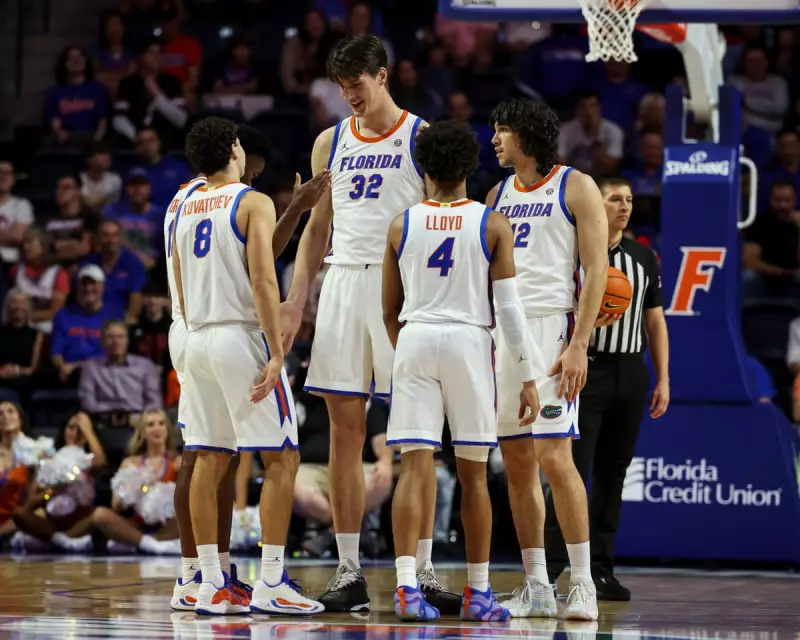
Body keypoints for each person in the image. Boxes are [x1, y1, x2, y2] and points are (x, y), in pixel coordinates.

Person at [282, 34, 460, 614]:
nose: (348, 96)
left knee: (417, 438)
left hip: (402, 288)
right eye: (340, 88)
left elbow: (445, 217)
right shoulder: (329, 141)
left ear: (382, 76)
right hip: (341, 284)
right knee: (344, 435)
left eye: (356, 85)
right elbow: (316, 228)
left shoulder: (422, 136)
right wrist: (294, 297)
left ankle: (425, 571)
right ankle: (349, 570)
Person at [383, 120, 541, 622]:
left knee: (414, 468)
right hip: (470, 341)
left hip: (414, 337)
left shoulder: (400, 223)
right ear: (471, 166)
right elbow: (510, 314)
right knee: (473, 474)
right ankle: (478, 593)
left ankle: (407, 588)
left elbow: (389, 310)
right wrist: (528, 374)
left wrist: (409, 349)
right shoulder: (492, 224)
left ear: (423, 167)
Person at [168, 123, 330, 612]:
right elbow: (261, 278)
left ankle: (208, 581)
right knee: (282, 457)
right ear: (236, 149)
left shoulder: (180, 201)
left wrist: (296, 208)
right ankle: (272, 582)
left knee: (208, 454)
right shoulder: (251, 200)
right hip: (237, 334)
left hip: (190, 334)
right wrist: (277, 351)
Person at [485, 98, 609, 621]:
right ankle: (536, 584)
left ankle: (581, 583)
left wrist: (578, 343)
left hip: (553, 331)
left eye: (503, 130)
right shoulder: (496, 194)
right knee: (516, 467)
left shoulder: (575, 185)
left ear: (527, 134)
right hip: (504, 334)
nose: (494, 139)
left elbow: (597, 269)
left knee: (556, 459)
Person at [544, 177, 669, 601]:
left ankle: (601, 571)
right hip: (586, 369)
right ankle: (551, 566)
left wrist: (663, 377)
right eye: (615, 199)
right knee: (570, 470)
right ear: (596, 203)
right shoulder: (573, 250)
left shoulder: (643, 256)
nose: (624, 206)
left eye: (630, 200)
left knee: (613, 474)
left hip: (630, 371)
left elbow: (655, 321)